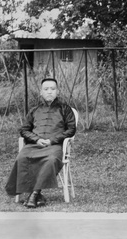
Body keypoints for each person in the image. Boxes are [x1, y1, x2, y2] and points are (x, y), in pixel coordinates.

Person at [5, 77, 77, 208]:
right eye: (46, 89)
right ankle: (39, 197)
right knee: (22, 157)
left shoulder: (65, 109)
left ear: (57, 91)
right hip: (34, 144)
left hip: (54, 146)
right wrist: (36, 139)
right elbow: (24, 130)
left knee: (50, 160)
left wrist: (52, 140)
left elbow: (71, 130)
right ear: (41, 92)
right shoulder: (34, 110)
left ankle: (34, 194)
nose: (49, 91)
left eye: (53, 89)